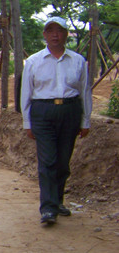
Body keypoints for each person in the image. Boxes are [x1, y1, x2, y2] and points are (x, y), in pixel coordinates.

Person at [20, 16, 92, 225]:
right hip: (43, 112)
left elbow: (85, 91)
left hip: (70, 111)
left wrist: (85, 120)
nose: (55, 35)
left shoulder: (78, 61)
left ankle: (57, 200)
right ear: (44, 35)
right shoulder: (34, 61)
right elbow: (26, 93)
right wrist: (27, 122)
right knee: (48, 161)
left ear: (66, 35)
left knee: (62, 162)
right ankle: (48, 208)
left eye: (59, 31)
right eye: (50, 31)